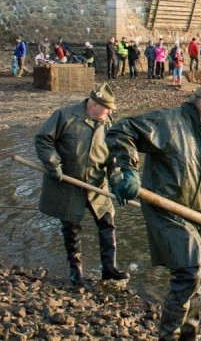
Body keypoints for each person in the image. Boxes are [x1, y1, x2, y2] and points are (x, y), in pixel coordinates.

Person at [105, 76, 201, 341]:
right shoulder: (169, 122)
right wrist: (127, 168)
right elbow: (122, 131)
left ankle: (188, 334)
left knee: (196, 282)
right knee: (190, 270)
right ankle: (168, 335)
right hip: (167, 213)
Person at [34, 83, 129, 287]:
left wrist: (116, 180)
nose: (110, 112)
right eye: (107, 107)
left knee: (107, 223)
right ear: (93, 104)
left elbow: (113, 157)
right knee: (72, 228)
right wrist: (53, 163)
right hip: (69, 184)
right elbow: (43, 140)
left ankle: (109, 269)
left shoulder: (108, 123)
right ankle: (76, 273)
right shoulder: (64, 116)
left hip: (97, 185)